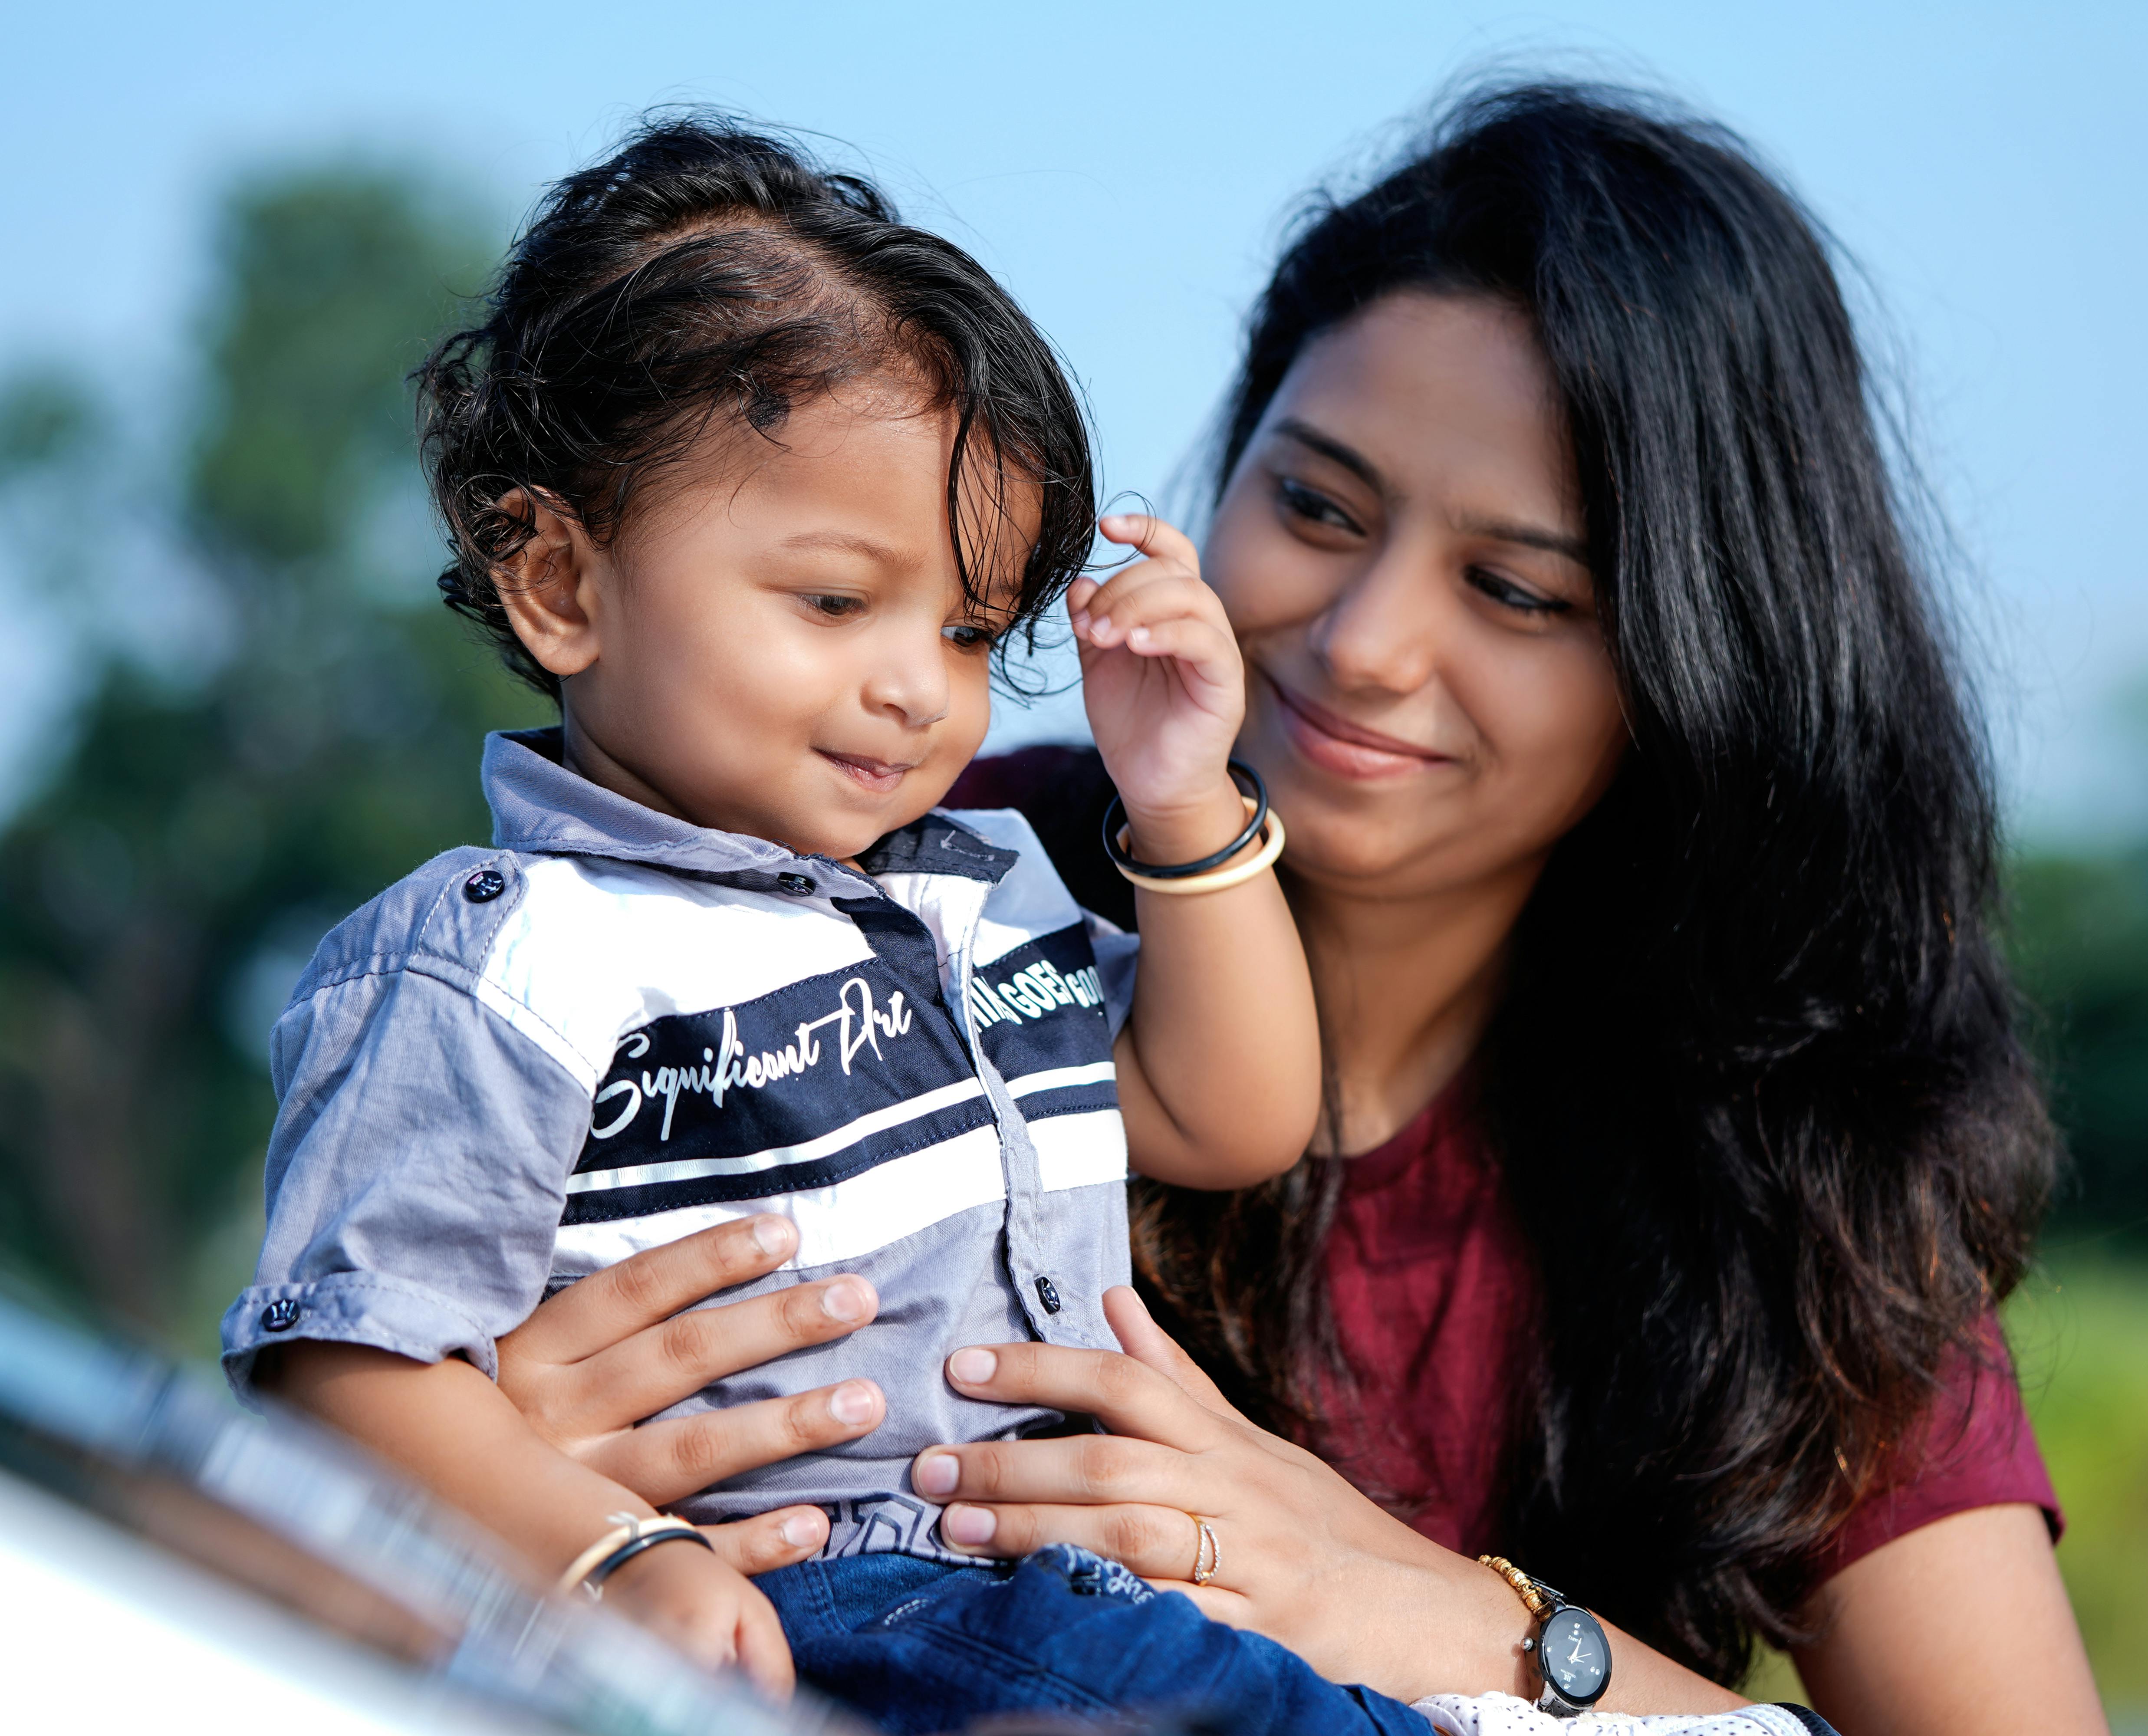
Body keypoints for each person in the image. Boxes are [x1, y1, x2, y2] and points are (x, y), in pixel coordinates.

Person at [473, 83, 2110, 1736]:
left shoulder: (1793, 1153)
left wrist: (1447, 1619)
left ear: (1696, 664)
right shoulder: (907, 882)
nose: (1369, 640)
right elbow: (349, 1421)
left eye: (1519, 591)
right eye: (1319, 508)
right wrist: (501, 1485)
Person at [221, 114, 1356, 1718]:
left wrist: (1180, 798)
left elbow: (1226, 1111)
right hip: (816, 1594)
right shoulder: (507, 958)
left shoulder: (977, 887)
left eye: (969, 630)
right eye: (835, 601)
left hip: (1071, 1593)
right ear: (559, 582)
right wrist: (608, 1558)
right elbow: (336, 1361)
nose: (914, 684)